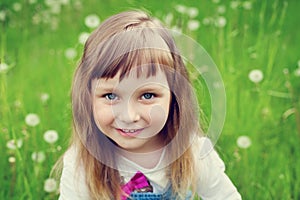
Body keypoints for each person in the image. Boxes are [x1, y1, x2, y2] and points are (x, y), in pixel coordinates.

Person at [57, 10, 242, 200]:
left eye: (147, 95)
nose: (129, 116)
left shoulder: (194, 153)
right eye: (111, 96)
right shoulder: (81, 164)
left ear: (174, 95)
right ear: (88, 97)